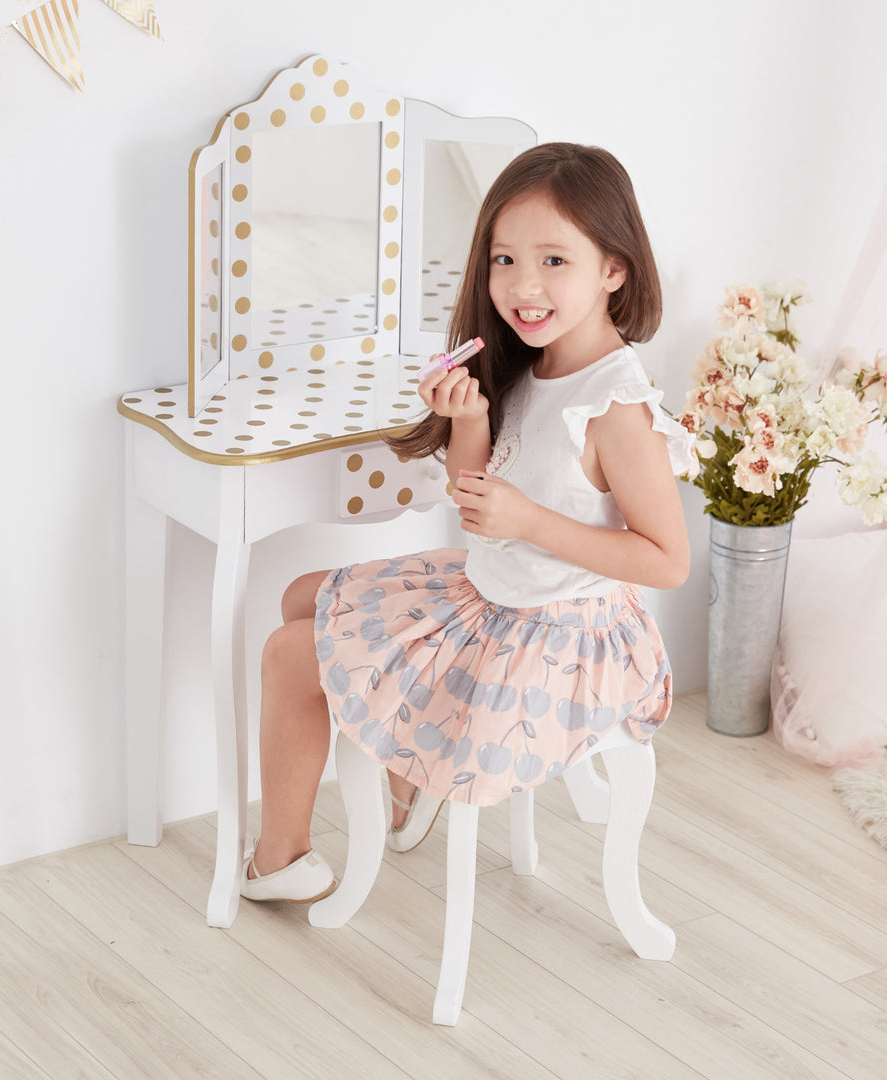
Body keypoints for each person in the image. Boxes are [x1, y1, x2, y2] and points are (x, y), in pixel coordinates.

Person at [241, 142, 694, 903]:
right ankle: (408, 771)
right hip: (499, 590)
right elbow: (481, 514)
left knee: (292, 653)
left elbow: (667, 562)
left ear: (614, 269)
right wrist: (472, 425)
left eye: (555, 261)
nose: (524, 285)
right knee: (301, 597)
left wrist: (531, 519)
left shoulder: (617, 406)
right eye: (505, 258)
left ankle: (278, 857)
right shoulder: (534, 360)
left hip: (563, 640)